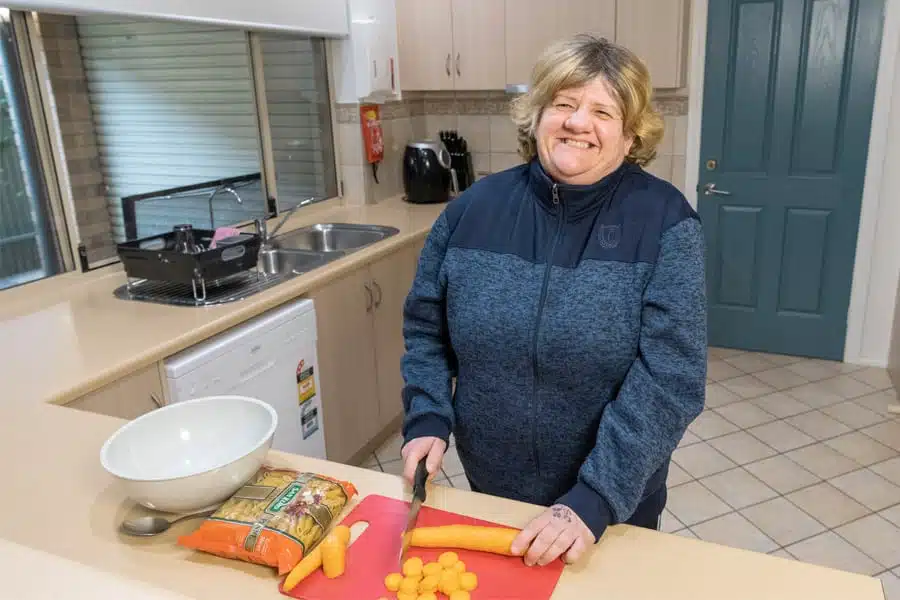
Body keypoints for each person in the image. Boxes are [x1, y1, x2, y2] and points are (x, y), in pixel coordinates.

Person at [398, 33, 707, 568]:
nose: (577, 123)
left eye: (603, 112)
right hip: (492, 488)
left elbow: (670, 380)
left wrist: (595, 499)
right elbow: (427, 330)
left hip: (612, 505)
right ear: (537, 116)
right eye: (563, 104)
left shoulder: (665, 222)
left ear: (631, 135)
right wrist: (427, 416)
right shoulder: (471, 211)